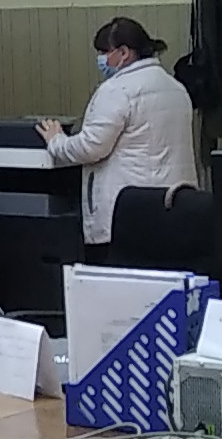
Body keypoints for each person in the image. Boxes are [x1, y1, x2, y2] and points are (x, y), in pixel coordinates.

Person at [38, 16, 199, 259]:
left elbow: (91, 147)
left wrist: (56, 141)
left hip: (127, 215)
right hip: (173, 208)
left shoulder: (117, 90)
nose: (101, 59)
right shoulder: (176, 88)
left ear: (124, 52)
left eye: (104, 52)